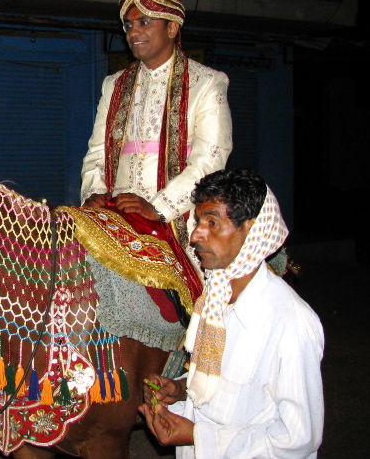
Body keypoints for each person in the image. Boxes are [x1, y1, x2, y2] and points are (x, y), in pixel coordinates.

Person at [138, 169, 324, 457]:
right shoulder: (214, 300)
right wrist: (180, 391)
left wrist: (198, 436)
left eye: (212, 222)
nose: (196, 235)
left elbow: (298, 438)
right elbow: (230, 390)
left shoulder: (289, 322)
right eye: (198, 221)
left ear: (252, 230)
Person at [81, 0, 232, 248]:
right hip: (117, 218)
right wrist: (94, 193)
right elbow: (97, 151)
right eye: (128, 25)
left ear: (172, 28)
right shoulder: (114, 84)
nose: (133, 32)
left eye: (144, 22)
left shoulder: (207, 82)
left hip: (179, 216)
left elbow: (210, 159)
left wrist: (159, 208)